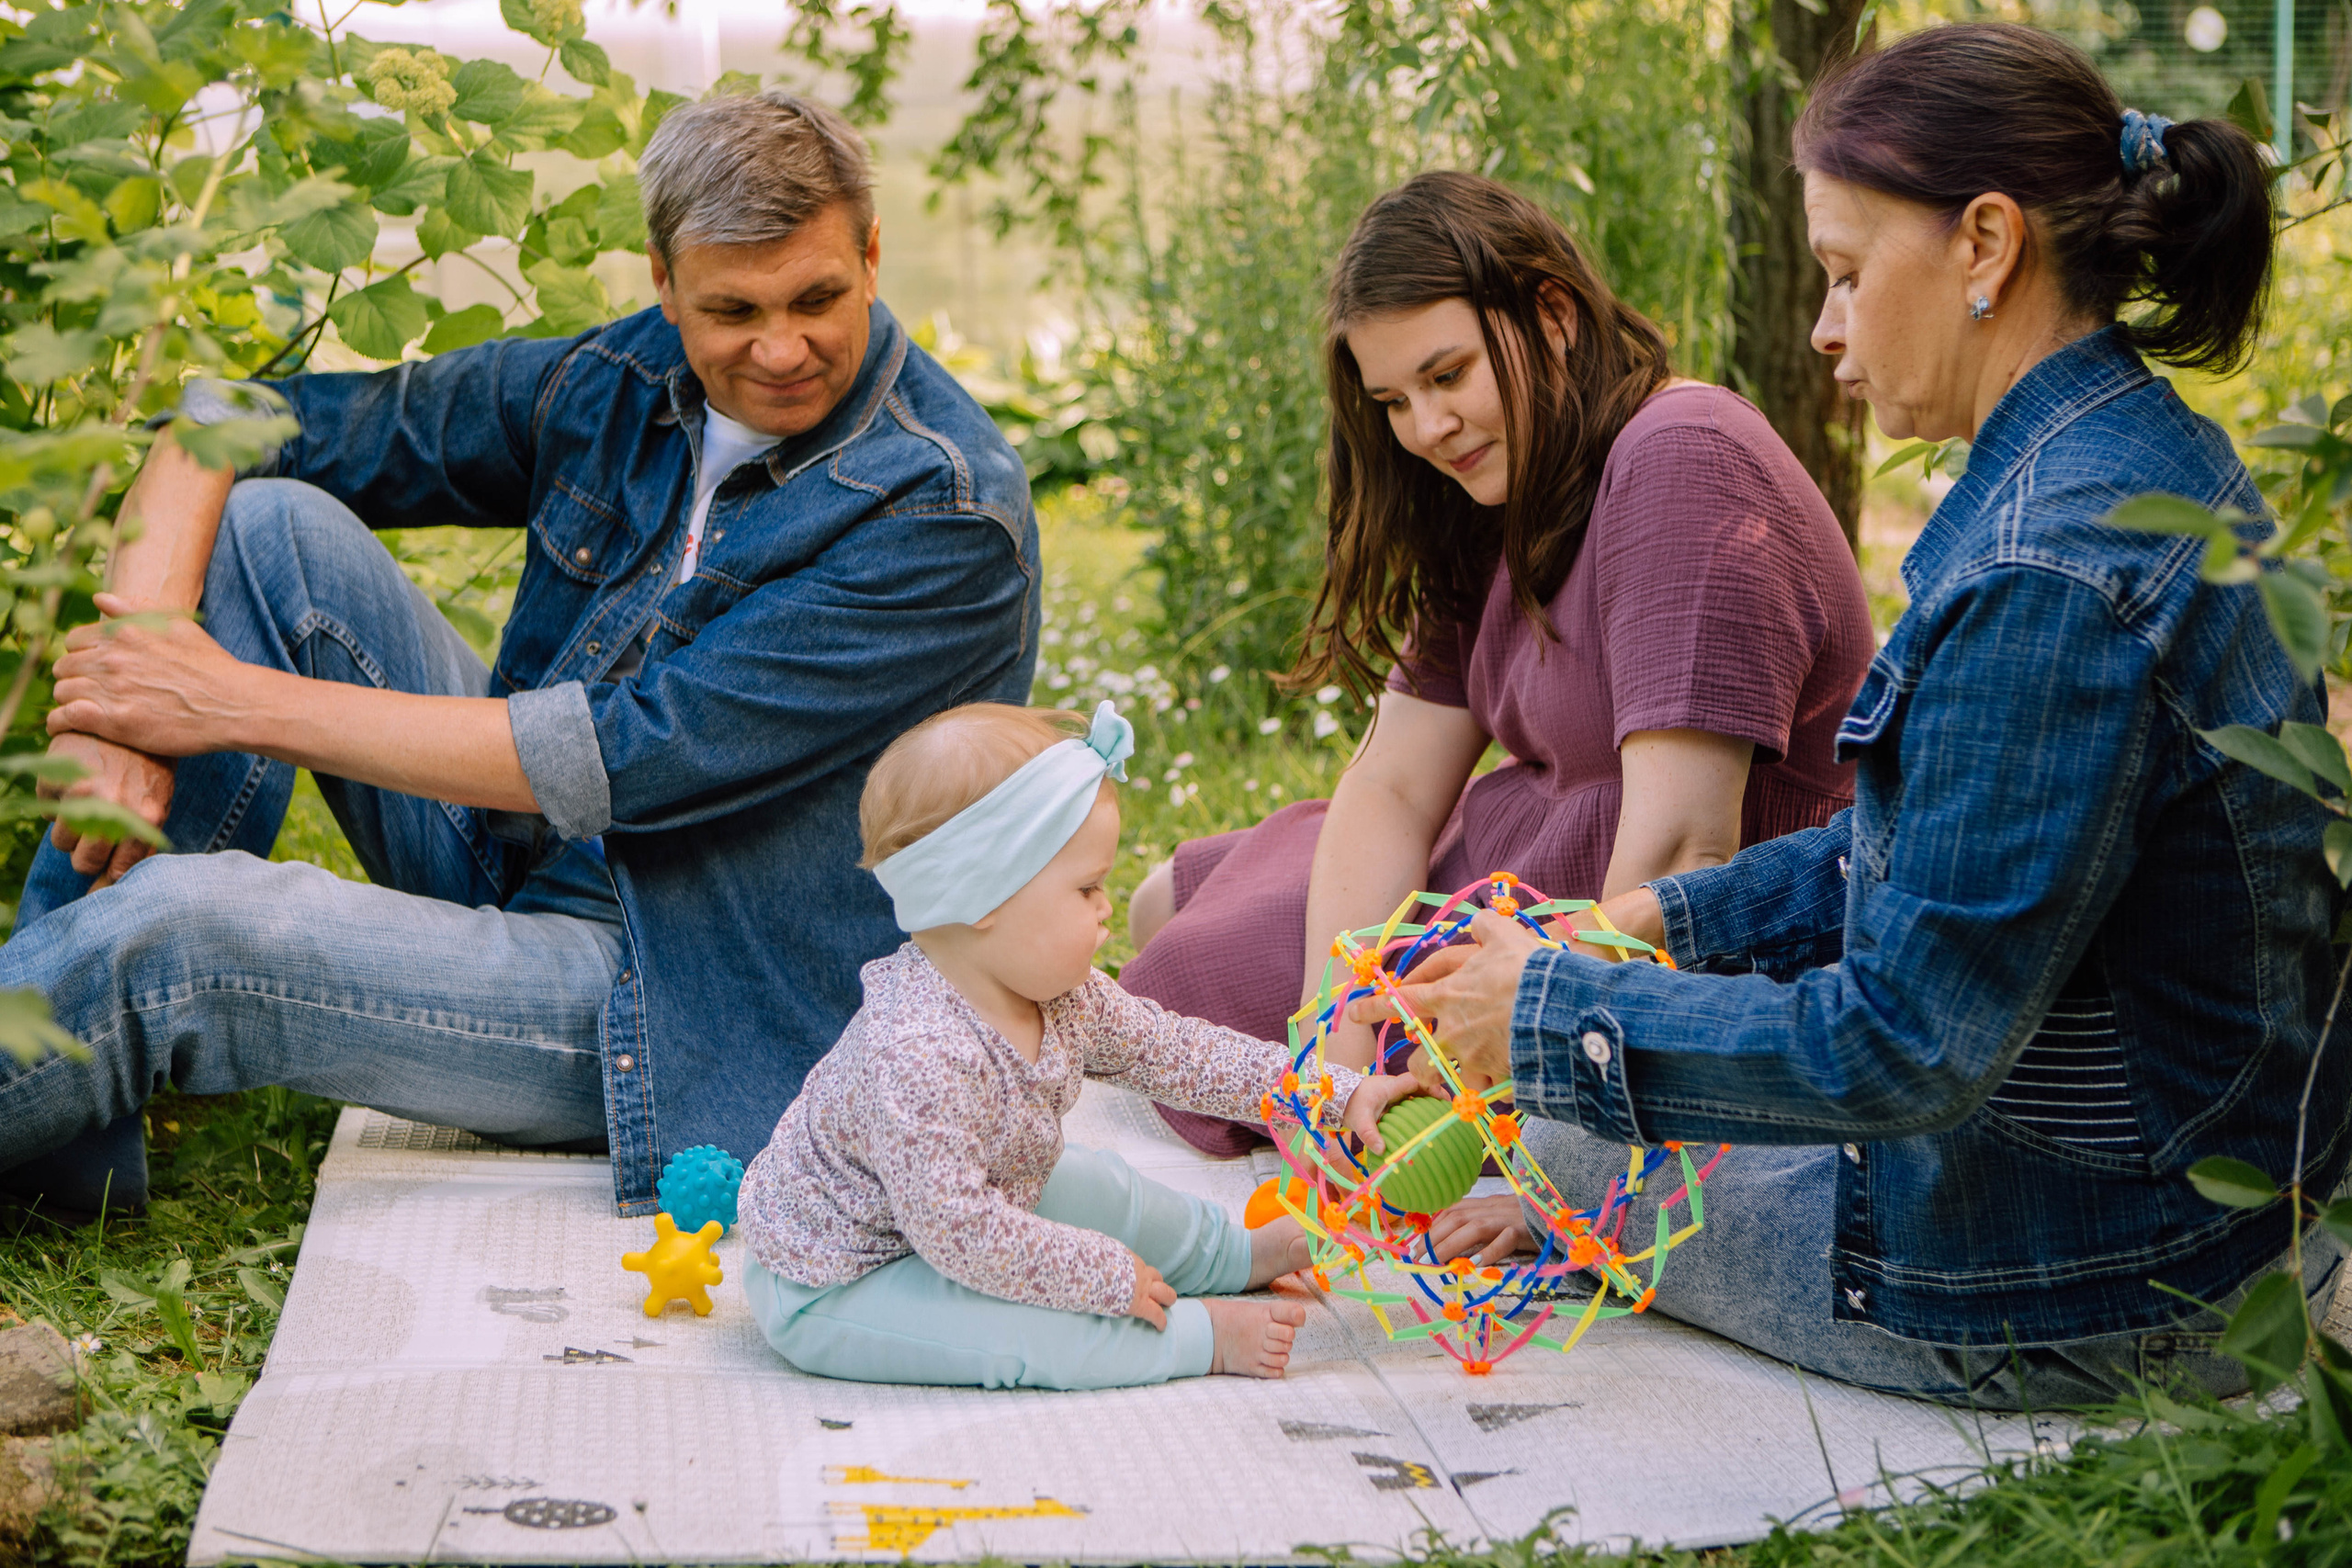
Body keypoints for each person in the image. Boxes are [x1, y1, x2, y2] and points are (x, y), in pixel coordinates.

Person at [1352, 23, 2348, 1408]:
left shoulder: (2040, 573)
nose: (1823, 326)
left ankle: (1593, 1203)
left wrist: (1553, 1016)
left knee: (1550, 1131)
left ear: (1986, 246)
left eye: (1843, 271)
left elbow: (1905, 1044)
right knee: (1585, 1122)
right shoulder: (2128, 453)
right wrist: (1660, 925)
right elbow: (1932, 852)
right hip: (2169, 1194)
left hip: (2103, 1278)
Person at [0, 91, 1039, 1225]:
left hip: (675, 1001)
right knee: (263, 528)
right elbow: (227, 425)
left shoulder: (942, 514)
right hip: (517, 857)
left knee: (187, 932)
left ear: (872, 254)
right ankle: (60, 1154)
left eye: (818, 298)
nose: (782, 349)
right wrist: (135, 687)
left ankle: (50, 1122)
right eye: (733, 309)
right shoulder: (627, 380)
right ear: (664, 281)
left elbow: (626, 755)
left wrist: (219, 703)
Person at [1119, 171, 1873, 1156]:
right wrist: (1332, 1039)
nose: (1425, 430)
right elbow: (1392, 781)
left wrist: (1550, 1063)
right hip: (1508, 857)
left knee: (1186, 968)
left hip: (1629, 924)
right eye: (1393, 399)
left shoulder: (1682, 455)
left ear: (1551, 316)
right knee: (1161, 905)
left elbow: (1686, 849)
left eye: (1446, 376)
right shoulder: (1502, 482)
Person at [735, 702, 1419, 1389]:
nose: (1104, 905)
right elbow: (964, 1235)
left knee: (1103, 1189)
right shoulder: (917, 1054)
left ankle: (1233, 1254)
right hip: (841, 1275)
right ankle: (1199, 1336)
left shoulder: (1064, 994)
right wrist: (1103, 1275)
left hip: (975, 1197)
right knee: (1020, 1333)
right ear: (982, 899)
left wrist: (1334, 1090)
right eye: (1087, 886)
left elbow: (1179, 1053)